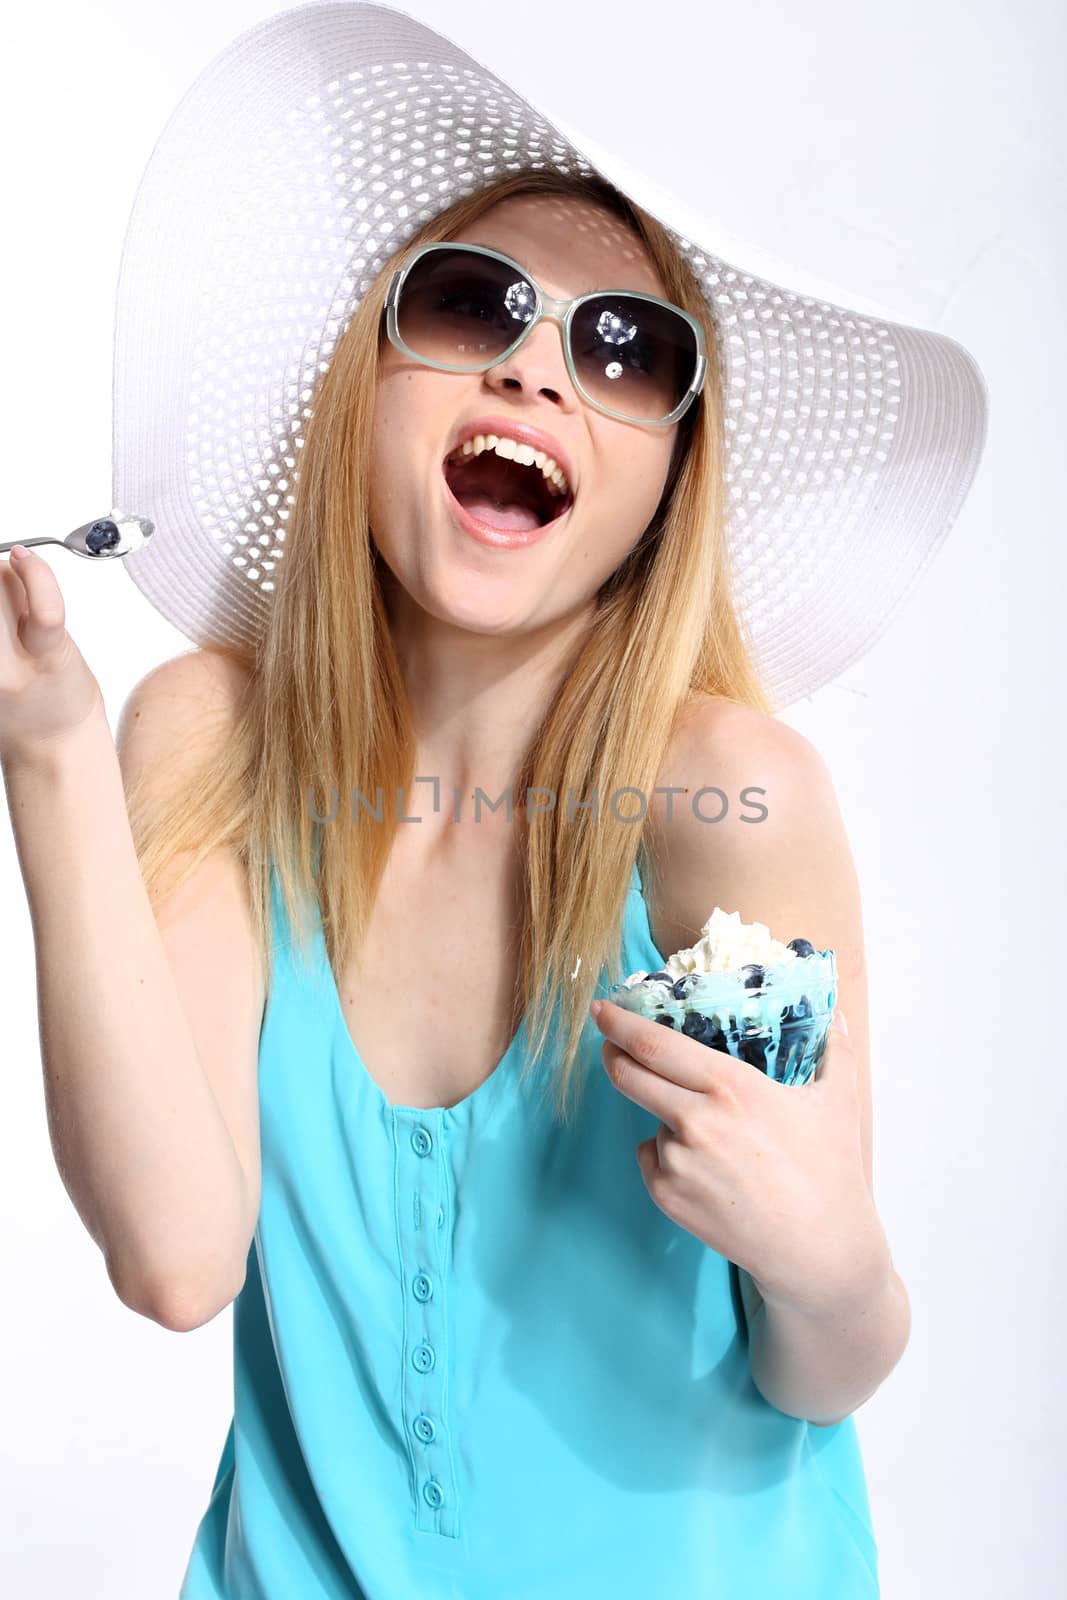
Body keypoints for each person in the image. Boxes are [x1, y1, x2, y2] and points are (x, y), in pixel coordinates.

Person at [0, 5, 987, 1596]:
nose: (536, 366)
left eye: (624, 351)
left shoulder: (714, 805)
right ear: (367, 384)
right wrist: (45, 750)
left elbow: (823, 1364)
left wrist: (821, 1247)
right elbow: (177, 1257)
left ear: (668, 480)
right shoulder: (213, 739)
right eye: (473, 308)